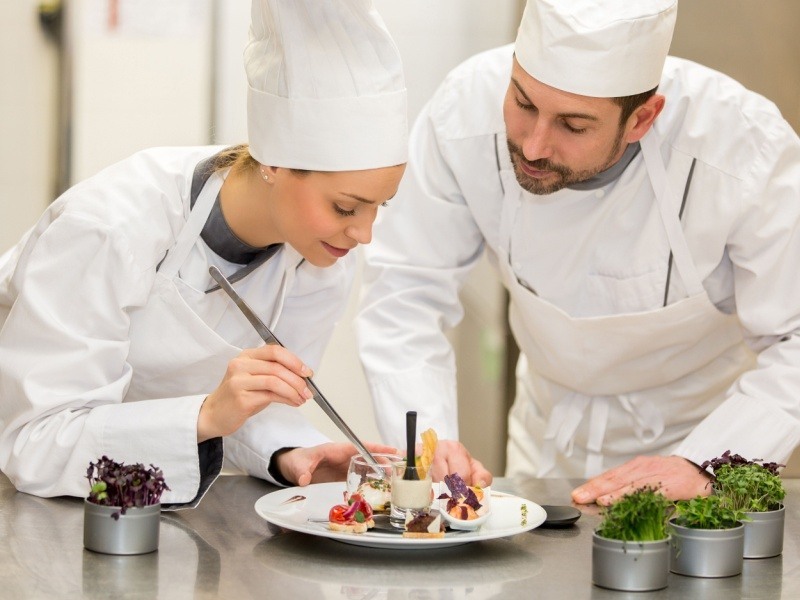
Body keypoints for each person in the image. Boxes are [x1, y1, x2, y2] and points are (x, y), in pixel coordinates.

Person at [0, 0, 489, 506]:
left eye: (379, 207)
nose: (364, 233)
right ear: (274, 163)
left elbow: (249, 410)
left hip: (131, 499)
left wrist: (290, 453)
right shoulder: (110, 228)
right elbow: (33, 443)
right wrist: (205, 416)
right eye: (346, 207)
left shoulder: (318, 259)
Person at [356, 0, 800, 504]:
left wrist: (714, 461)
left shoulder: (744, 147)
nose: (534, 146)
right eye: (523, 103)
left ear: (642, 119)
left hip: (696, 442)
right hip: (544, 441)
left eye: (573, 125)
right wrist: (430, 443)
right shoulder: (462, 111)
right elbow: (405, 291)